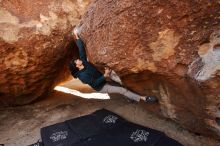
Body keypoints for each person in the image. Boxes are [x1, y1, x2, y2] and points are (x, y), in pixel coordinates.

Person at [69, 28, 158, 103]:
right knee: (122, 90)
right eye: (76, 61)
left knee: (119, 85)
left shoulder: (83, 62)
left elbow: (81, 50)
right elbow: (94, 83)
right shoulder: (83, 76)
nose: (78, 59)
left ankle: (129, 98)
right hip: (101, 87)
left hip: (103, 77)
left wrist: (77, 37)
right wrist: (105, 75)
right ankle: (144, 98)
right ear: (77, 66)